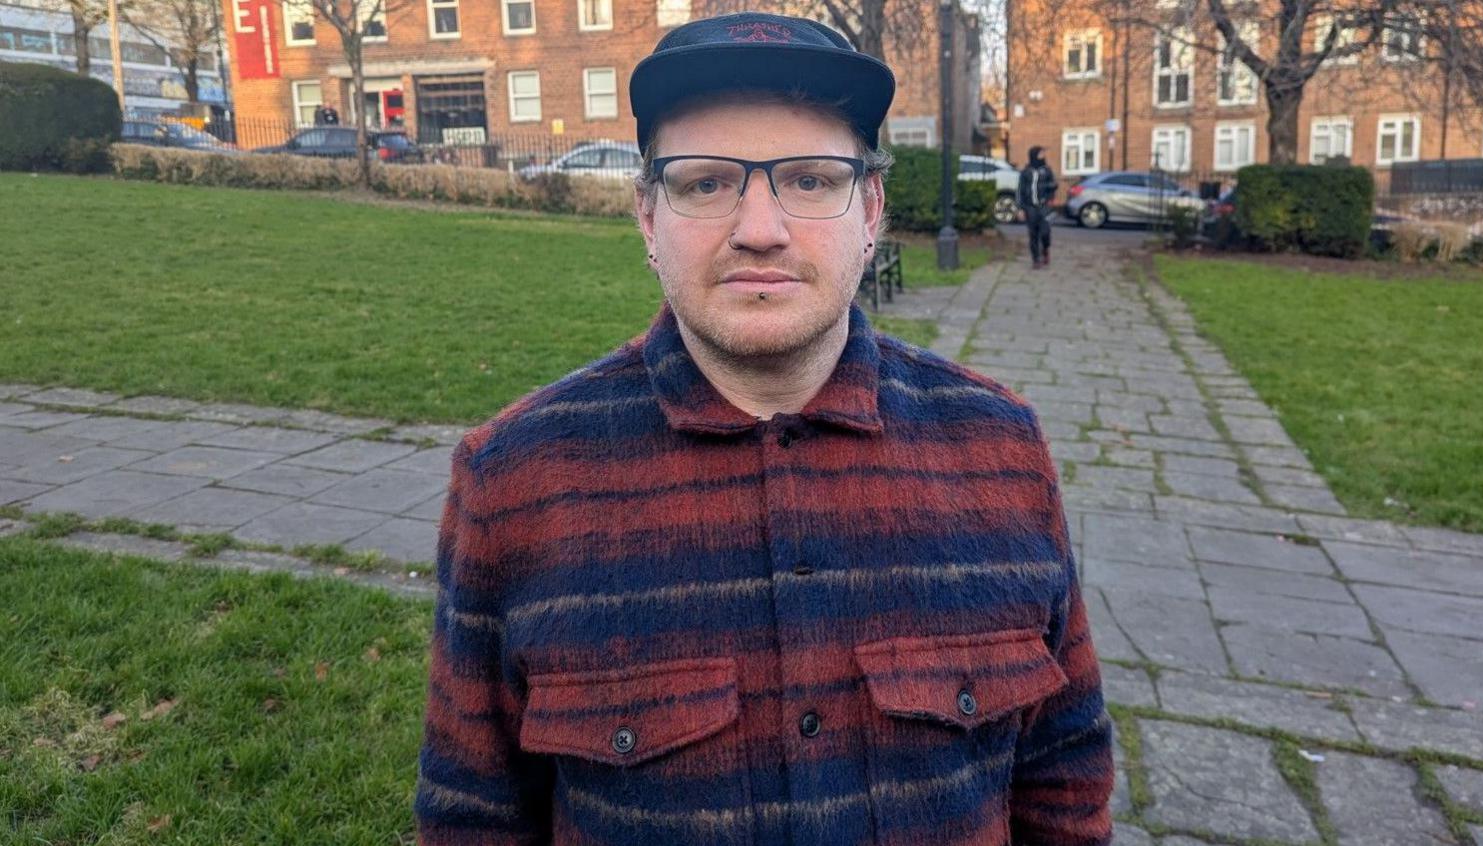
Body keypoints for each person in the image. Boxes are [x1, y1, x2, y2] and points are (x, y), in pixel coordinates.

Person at [414, 12, 1112, 846]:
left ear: (871, 210)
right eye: (706, 183)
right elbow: (473, 817)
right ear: (646, 216)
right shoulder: (515, 482)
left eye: (812, 180)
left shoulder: (1002, 450)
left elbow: (1064, 779)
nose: (759, 228)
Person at [1018, 145, 1058, 269]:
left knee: (1045, 232)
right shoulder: (1026, 172)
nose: (1043, 156)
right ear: (1034, 155)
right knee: (1033, 234)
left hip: (1044, 206)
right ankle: (1036, 259)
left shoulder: (1047, 170)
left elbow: (1054, 185)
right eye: (1041, 154)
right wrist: (1020, 208)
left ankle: (1045, 250)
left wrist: (1049, 195)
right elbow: (1020, 190)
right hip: (1030, 207)